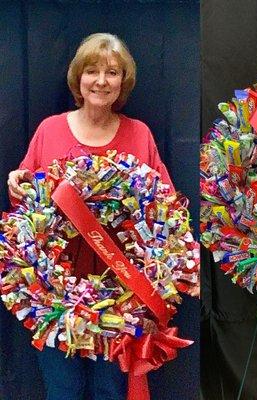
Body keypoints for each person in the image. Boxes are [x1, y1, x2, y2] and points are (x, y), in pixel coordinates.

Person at [7, 33, 174, 400]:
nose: (101, 80)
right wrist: (16, 181)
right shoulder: (49, 130)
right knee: (62, 389)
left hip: (121, 289)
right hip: (52, 290)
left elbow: (166, 208)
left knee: (110, 389)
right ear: (78, 79)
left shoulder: (138, 134)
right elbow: (25, 205)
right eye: (92, 71)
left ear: (123, 82)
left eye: (112, 72)